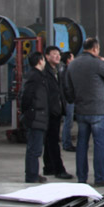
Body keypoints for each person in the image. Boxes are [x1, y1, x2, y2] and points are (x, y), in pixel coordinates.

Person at [65, 37, 104, 187]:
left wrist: (75, 100)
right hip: (98, 110)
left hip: (81, 110)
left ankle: (81, 177)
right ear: (95, 48)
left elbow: (68, 88)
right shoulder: (98, 63)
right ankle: (100, 177)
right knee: (99, 145)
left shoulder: (73, 64)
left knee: (81, 145)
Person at [42, 46, 72, 180]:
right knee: (53, 141)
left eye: (58, 54)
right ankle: (59, 170)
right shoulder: (45, 72)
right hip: (50, 111)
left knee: (50, 140)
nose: (58, 56)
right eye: (54, 54)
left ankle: (48, 167)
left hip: (56, 110)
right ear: (47, 56)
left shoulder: (57, 70)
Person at [21, 51, 49, 183]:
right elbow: (27, 96)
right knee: (34, 149)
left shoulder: (35, 75)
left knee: (35, 148)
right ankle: (31, 176)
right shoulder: (35, 77)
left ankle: (33, 173)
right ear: (40, 60)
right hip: (36, 116)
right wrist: (28, 111)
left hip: (37, 115)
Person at [60, 51, 76, 151]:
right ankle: (67, 144)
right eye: (72, 57)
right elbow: (67, 87)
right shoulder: (66, 71)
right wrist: (71, 99)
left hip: (66, 99)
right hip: (68, 100)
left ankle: (66, 142)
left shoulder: (63, 70)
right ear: (68, 60)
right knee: (68, 122)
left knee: (68, 122)